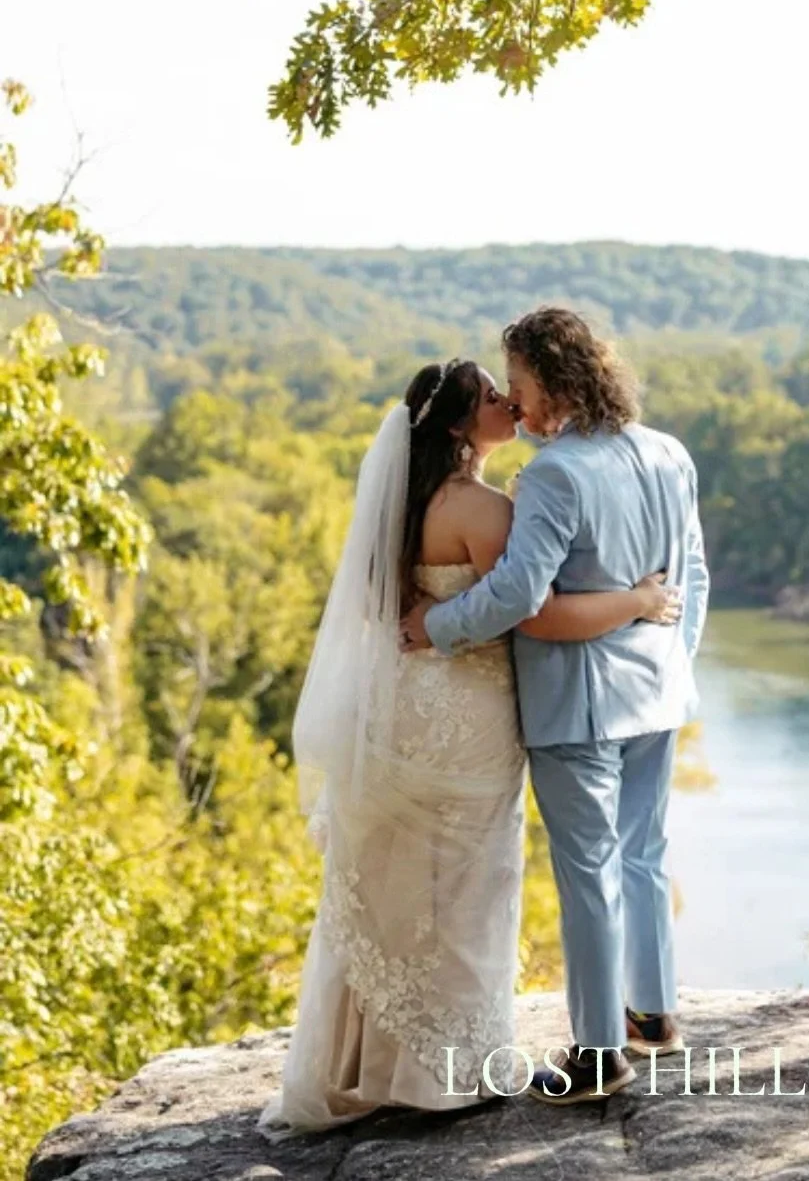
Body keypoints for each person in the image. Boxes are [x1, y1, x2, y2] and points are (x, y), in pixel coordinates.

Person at [258, 357, 681, 1138]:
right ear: (461, 426)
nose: (508, 402)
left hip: (409, 709)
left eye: (509, 388)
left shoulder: (407, 503)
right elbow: (533, 613)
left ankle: (375, 1063)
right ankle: (451, 1069)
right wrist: (643, 599)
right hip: (472, 719)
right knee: (466, 888)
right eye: (493, 397)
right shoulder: (484, 509)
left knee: (399, 882)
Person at [401, 308, 709, 1106]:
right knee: (642, 855)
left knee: (589, 873)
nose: (518, 401)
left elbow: (516, 593)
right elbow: (696, 576)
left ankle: (599, 1056)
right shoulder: (668, 452)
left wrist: (434, 627)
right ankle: (653, 1014)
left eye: (523, 384)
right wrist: (675, 659)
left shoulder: (553, 475)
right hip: (657, 691)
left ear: (559, 380)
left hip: (578, 700)